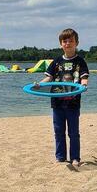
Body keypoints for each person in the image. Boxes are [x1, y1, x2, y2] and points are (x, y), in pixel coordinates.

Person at [37, 28, 89, 166]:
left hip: (73, 103)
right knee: (58, 131)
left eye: (70, 40)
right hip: (57, 103)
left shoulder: (80, 61)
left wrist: (83, 85)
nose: (67, 43)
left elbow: (84, 77)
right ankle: (60, 157)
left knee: (73, 133)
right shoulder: (56, 61)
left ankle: (75, 158)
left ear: (76, 43)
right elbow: (49, 78)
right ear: (61, 44)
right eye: (64, 41)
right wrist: (39, 85)